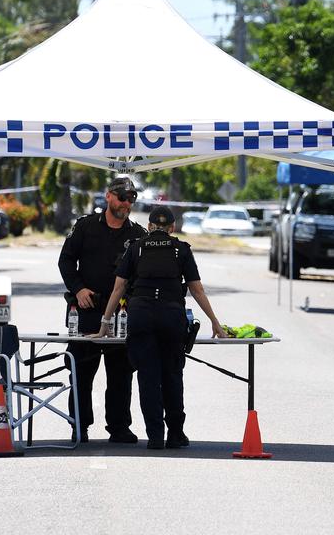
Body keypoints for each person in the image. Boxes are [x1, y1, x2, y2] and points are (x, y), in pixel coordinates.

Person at [95, 205, 228, 450]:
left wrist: (105, 324)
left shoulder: (135, 248)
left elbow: (119, 288)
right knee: (172, 375)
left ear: (149, 227)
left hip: (142, 316)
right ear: (172, 228)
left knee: (148, 378)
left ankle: (155, 436)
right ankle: (176, 434)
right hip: (171, 316)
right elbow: (196, 289)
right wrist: (215, 322)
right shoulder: (182, 250)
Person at [58, 176, 146, 443]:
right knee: (81, 373)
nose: (126, 204)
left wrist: (130, 301)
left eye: (132, 199)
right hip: (87, 310)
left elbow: (142, 274)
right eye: (122, 198)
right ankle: (79, 425)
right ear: (108, 196)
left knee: (121, 374)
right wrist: (78, 289)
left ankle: (119, 427)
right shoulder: (85, 226)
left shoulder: (137, 235)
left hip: (120, 314)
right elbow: (65, 261)